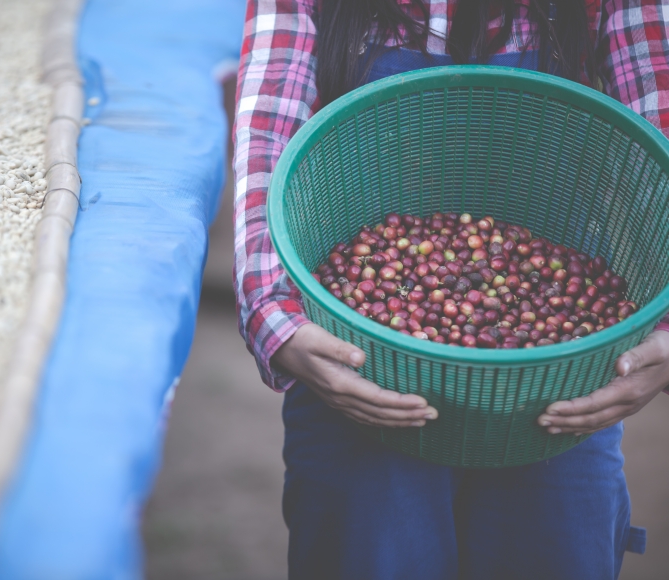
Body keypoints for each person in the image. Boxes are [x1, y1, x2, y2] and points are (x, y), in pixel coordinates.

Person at [233, 1, 669, 578]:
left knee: (557, 544)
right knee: (367, 548)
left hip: (556, 381)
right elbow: (267, 134)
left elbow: (661, 127)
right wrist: (275, 318)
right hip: (362, 360)